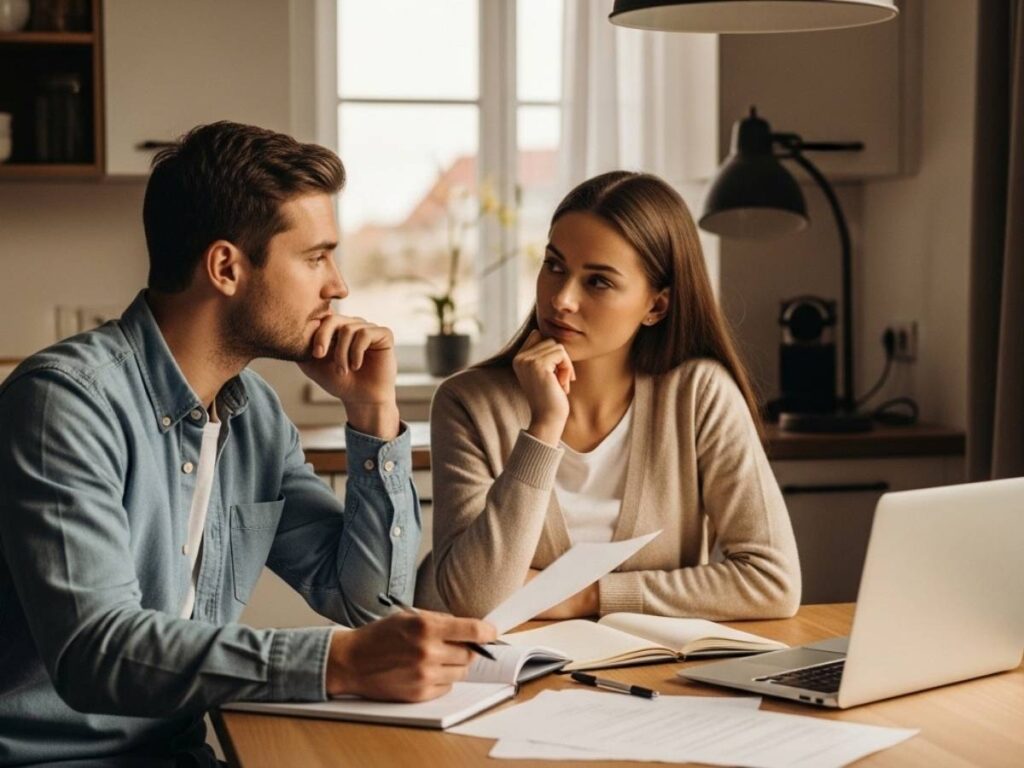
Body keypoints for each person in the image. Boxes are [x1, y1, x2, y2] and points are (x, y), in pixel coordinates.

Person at [0, 122, 494, 766]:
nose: (339, 285)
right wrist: (334, 663)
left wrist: (372, 414)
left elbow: (370, 603)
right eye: (316, 256)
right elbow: (94, 652)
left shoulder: (253, 412)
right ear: (227, 267)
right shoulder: (63, 403)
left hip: (183, 752)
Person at [424, 171, 801, 621]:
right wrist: (543, 428)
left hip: (651, 678)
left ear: (656, 306)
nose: (562, 298)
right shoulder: (469, 404)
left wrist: (582, 597)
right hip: (509, 677)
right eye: (554, 265)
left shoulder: (699, 394)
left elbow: (773, 582)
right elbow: (475, 599)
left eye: (598, 282)